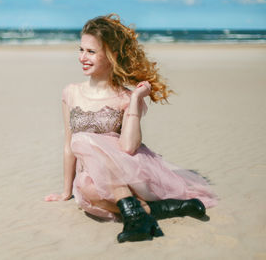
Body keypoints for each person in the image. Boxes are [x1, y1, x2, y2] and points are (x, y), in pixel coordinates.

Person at [44, 13, 218, 243]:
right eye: (81, 49)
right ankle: (160, 210)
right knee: (84, 184)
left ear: (111, 55)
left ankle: (137, 214)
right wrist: (66, 192)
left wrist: (136, 99)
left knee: (82, 139)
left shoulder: (125, 97)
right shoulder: (71, 92)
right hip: (93, 181)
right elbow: (68, 146)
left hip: (132, 173)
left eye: (91, 51)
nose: (83, 57)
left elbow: (128, 146)